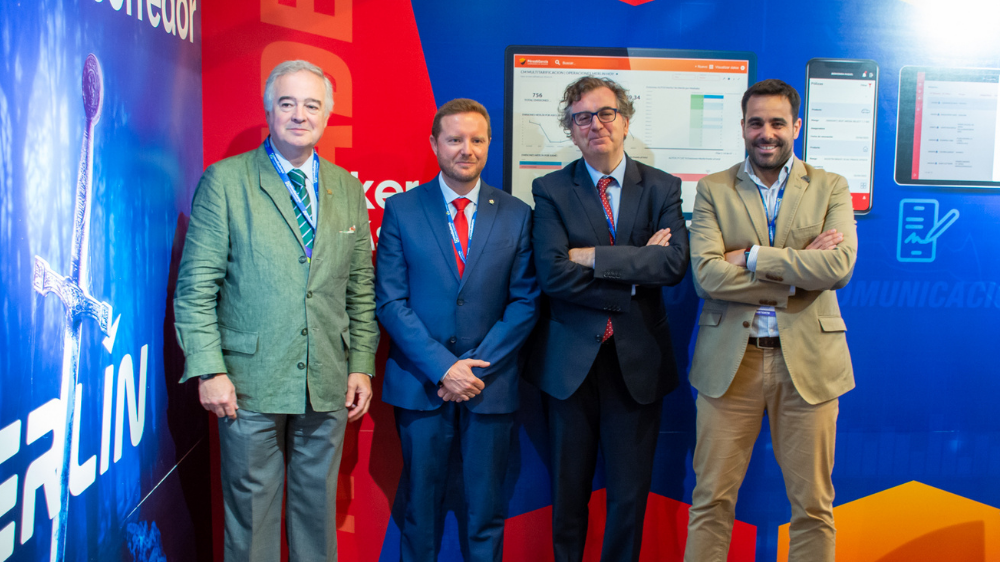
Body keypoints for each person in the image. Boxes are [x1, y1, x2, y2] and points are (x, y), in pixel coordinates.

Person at [174, 59, 378, 562]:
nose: (299, 115)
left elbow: (360, 289)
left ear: (326, 115)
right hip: (248, 385)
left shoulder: (347, 188)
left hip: (326, 381)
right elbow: (196, 288)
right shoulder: (226, 181)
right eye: (288, 103)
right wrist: (209, 370)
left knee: (316, 515)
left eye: (312, 105)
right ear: (269, 110)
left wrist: (360, 365)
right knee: (251, 520)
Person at [684, 78, 858, 562]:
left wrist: (752, 256)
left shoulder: (830, 186)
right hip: (730, 366)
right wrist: (799, 272)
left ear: (796, 127)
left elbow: (838, 268)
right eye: (756, 122)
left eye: (778, 123)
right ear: (743, 126)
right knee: (711, 501)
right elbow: (706, 276)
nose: (767, 133)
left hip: (809, 366)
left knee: (813, 507)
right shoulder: (714, 189)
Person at [526, 76, 689, 562]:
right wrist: (636, 270)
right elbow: (553, 275)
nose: (595, 124)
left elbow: (673, 265)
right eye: (582, 117)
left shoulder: (661, 187)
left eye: (605, 113)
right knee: (568, 497)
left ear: (625, 120)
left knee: (628, 499)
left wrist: (593, 256)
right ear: (571, 130)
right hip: (569, 366)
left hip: (637, 364)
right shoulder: (551, 189)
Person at [375, 98, 540, 562]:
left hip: (490, 386)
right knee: (419, 511)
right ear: (434, 144)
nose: (466, 149)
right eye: (454, 139)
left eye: (477, 140)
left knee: (486, 512)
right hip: (421, 386)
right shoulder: (402, 209)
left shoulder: (516, 214)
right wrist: (445, 369)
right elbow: (390, 301)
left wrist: (471, 370)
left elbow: (525, 302)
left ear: (488, 145)